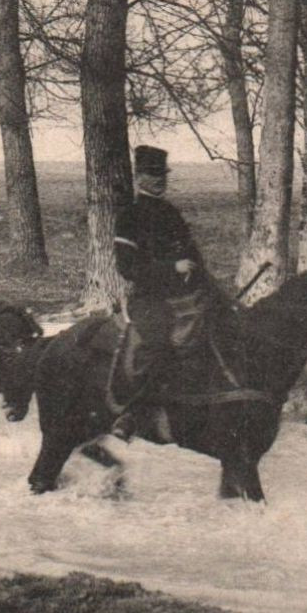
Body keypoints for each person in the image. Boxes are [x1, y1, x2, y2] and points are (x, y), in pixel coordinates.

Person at [108, 144, 207, 440]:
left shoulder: (171, 213)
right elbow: (128, 268)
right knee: (158, 340)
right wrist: (173, 269)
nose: (159, 180)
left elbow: (192, 255)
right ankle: (133, 413)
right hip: (149, 298)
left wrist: (199, 274)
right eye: (152, 175)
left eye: (162, 174)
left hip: (185, 295)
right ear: (138, 178)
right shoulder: (130, 216)